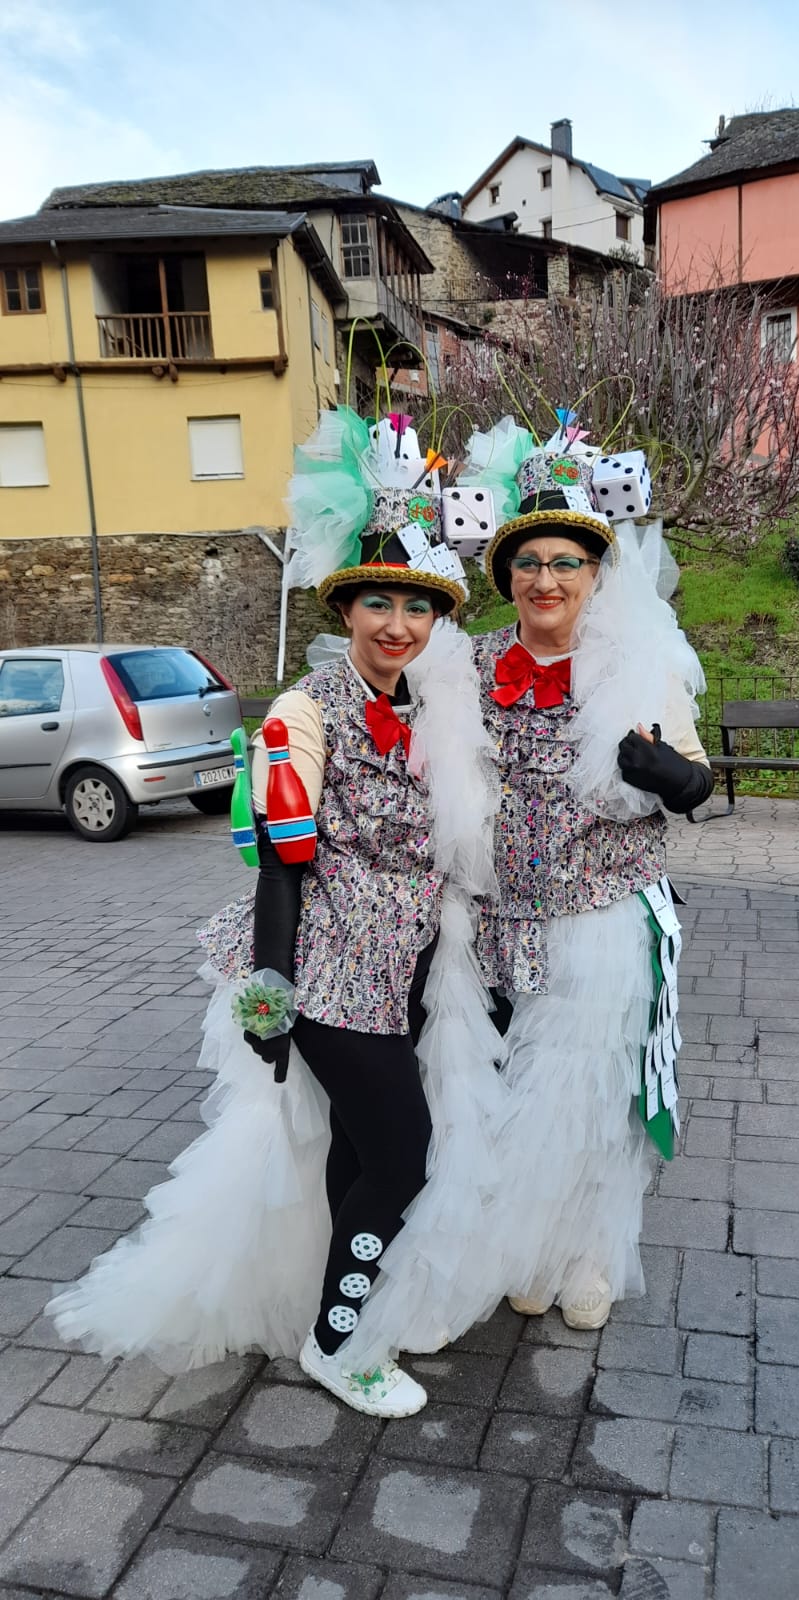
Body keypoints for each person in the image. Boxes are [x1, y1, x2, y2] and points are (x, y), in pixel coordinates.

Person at [48, 407, 503, 1417]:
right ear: (348, 610)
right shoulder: (306, 708)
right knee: (404, 1150)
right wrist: (270, 991)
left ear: (435, 619)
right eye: (377, 602)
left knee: (357, 1149)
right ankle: (340, 1345)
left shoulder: (423, 707)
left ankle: (340, 1304)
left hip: (406, 969)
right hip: (333, 969)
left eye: (416, 607)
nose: (396, 623)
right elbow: (282, 866)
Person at [462, 418, 713, 1331]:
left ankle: (590, 1253)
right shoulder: (475, 664)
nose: (547, 580)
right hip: (503, 922)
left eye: (566, 561)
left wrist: (674, 777)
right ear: (506, 578)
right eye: (528, 563)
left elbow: (694, 778)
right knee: (516, 1092)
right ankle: (530, 1245)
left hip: (605, 915)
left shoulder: (635, 661)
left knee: (597, 1091)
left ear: (597, 573)